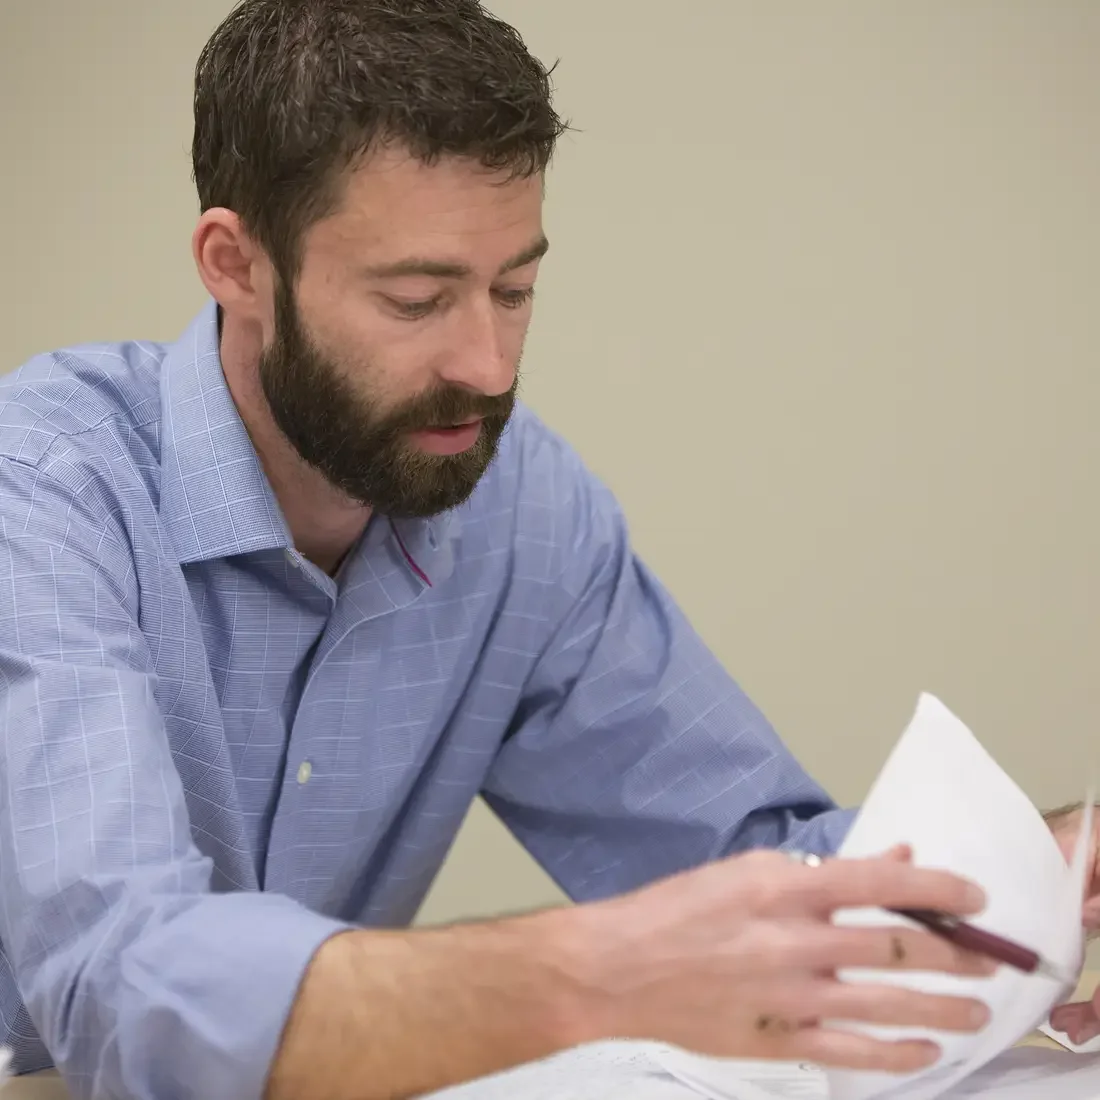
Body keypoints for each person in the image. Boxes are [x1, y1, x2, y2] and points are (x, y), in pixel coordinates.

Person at [0, 2, 1094, 1098]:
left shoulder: (520, 505)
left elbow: (748, 869)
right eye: (416, 298)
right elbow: (118, 994)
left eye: (514, 288)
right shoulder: (46, 491)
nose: (483, 362)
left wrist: (1032, 870)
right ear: (236, 265)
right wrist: (595, 971)